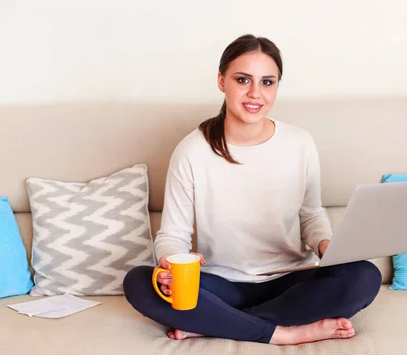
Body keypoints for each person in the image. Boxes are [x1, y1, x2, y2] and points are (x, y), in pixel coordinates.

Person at [123, 34, 382, 345]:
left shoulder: (299, 143)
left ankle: (216, 323)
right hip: (221, 283)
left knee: (364, 276)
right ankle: (284, 333)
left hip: (289, 280)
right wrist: (169, 262)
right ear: (221, 81)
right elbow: (172, 234)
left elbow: (311, 215)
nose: (255, 93)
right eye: (243, 79)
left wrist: (326, 245)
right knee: (139, 282)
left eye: (267, 82)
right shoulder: (192, 151)